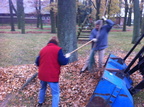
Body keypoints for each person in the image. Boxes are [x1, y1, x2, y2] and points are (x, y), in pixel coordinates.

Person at [35, 36, 70, 107]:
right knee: (55, 94)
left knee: (42, 88)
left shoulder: (43, 50)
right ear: (57, 43)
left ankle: (40, 102)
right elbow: (63, 62)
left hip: (42, 74)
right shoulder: (58, 50)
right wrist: (67, 57)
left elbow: (37, 62)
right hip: (52, 75)